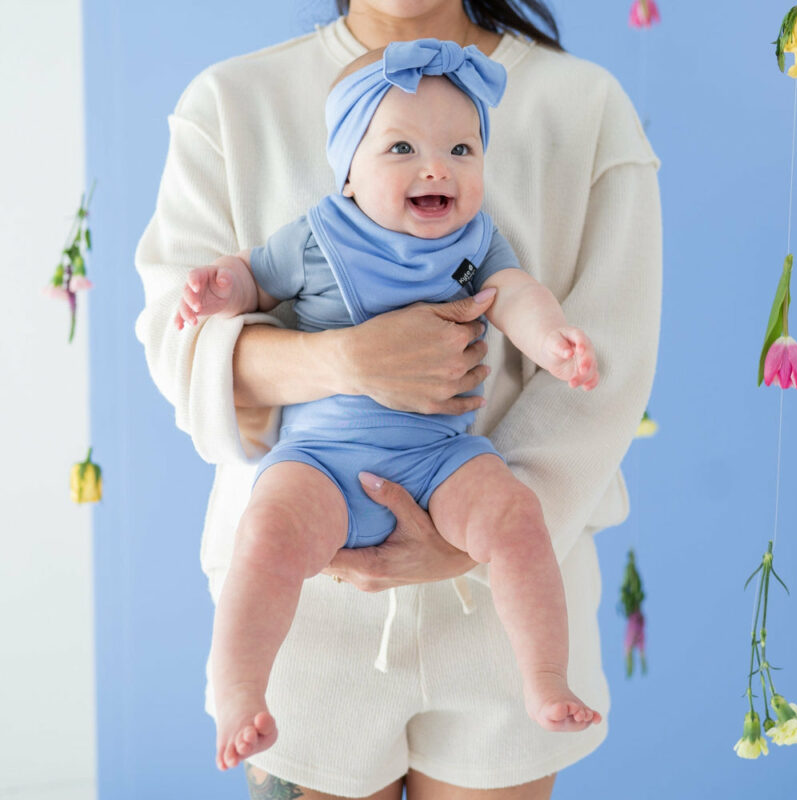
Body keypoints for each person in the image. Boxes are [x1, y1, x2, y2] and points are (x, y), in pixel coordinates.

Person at [134, 1, 662, 798]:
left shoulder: (584, 110)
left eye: (459, 149)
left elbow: (605, 371)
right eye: (404, 149)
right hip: (305, 625)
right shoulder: (231, 104)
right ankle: (233, 690)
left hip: (498, 621)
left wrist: (473, 542)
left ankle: (544, 674)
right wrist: (344, 361)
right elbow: (182, 340)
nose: (435, 169)